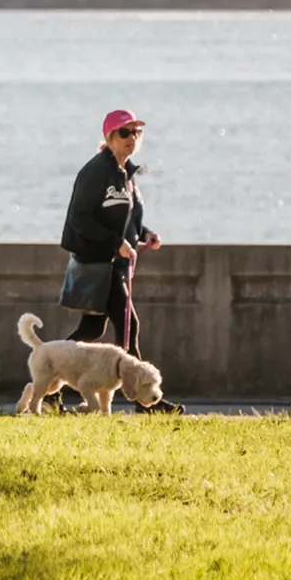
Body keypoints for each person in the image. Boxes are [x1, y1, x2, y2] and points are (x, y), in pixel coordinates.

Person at [57, 108, 182, 414]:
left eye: (136, 132)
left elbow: (126, 220)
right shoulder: (96, 171)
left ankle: (49, 384)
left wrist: (145, 234)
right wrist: (116, 243)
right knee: (130, 325)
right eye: (124, 132)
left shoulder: (126, 174)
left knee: (91, 330)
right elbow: (78, 218)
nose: (132, 138)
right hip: (98, 264)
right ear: (109, 137)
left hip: (113, 264)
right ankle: (144, 401)